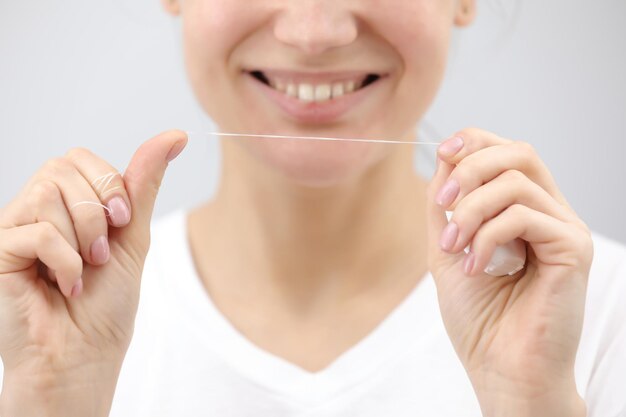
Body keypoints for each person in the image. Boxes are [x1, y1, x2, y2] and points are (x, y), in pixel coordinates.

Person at [0, 0, 625, 416]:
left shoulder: (595, 317)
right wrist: (51, 401)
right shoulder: (37, 327)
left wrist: (533, 400)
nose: (314, 33)